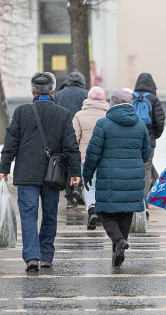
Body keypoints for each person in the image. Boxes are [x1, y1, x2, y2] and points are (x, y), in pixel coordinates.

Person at [0, 72, 81, 271]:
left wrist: (4, 168)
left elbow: (11, 143)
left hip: (27, 173)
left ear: (32, 91)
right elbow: (71, 146)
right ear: (53, 91)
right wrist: (75, 172)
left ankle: (31, 257)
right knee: (50, 214)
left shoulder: (21, 112)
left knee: (28, 214)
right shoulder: (63, 114)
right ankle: (46, 255)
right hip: (52, 174)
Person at [83, 90, 151, 267]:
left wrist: (87, 173)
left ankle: (119, 241)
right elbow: (146, 153)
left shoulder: (103, 124)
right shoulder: (140, 125)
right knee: (125, 212)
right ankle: (117, 253)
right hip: (133, 175)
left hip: (109, 175)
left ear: (111, 104)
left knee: (105, 212)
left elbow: (92, 153)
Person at [73, 86, 109, 230]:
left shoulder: (79, 115)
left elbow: (74, 138)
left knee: (89, 186)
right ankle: (100, 213)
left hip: (85, 158)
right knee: (102, 185)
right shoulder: (108, 115)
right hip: (105, 157)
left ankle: (92, 209)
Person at [132, 73, 165, 213]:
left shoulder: (131, 97)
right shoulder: (153, 99)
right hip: (149, 139)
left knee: (133, 167)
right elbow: (160, 120)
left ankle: (133, 197)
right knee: (146, 167)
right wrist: (154, 136)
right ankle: (143, 200)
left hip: (132, 139)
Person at [56, 71, 88, 209]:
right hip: (81, 132)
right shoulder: (86, 94)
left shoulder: (58, 95)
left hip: (63, 132)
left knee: (67, 164)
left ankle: (70, 196)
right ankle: (78, 188)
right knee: (79, 162)